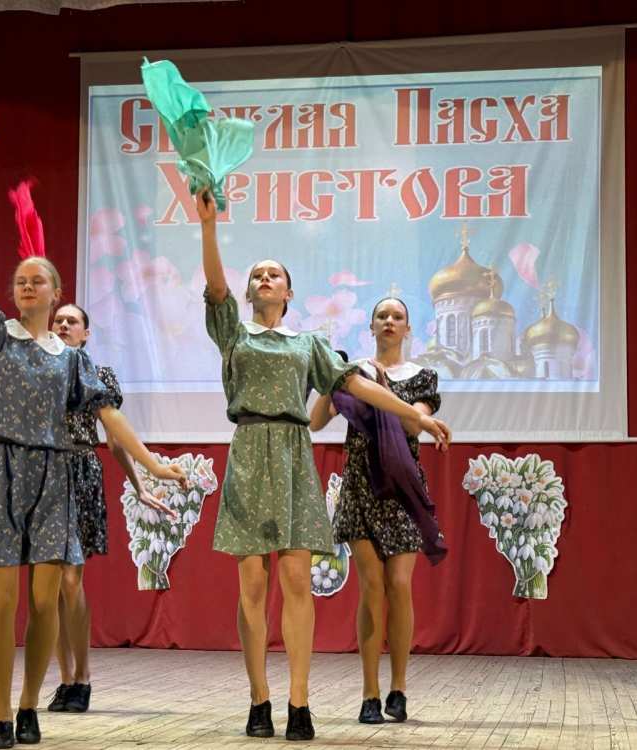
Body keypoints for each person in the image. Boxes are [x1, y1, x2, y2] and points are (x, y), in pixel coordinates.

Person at [196, 190, 451, 742]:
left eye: (274, 275)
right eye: (257, 275)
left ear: (289, 293)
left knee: (296, 580)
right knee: (251, 586)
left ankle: (300, 702)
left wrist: (415, 414)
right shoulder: (234, 333)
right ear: (249, 291)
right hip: (249, 451)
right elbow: (215, 288)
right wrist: (209, 228)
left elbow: (353, 384)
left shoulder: (309, 342)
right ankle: (259, 698)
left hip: (292, 454)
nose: (265, 279)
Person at [0, 188, 185, 749]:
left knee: (46, 602)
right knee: (1, 602)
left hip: (55, 479)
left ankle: (30, 704)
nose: (27, 286)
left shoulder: (72, 359)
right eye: (20, 281)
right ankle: (1, 715)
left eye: (38, 280)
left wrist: (151, 463)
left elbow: (109, 416)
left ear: (56, 292)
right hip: (3, 472)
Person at [310, 297, 445, 725]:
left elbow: (412, 423)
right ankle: (369, 693)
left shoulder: (423, 377)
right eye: (382, 316)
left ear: (408, 328)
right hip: (360, 486)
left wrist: (381, 389)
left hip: (401, 487)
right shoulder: (354, 374)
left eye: (397, 317)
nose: (389, 321)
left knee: (399, 585)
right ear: (370, 327)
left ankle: (398, 689)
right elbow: (316, 421)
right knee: (371, 587)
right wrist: (330, 380)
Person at [45, 303, 177, 714]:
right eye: (58, 320)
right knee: (48, 586)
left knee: (71, 579)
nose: (64, 325)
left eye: (72, 321)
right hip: (43, 473)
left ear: (86, 334)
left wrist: (140, 485)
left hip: (81, 471)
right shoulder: (38, 372)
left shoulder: (98, 375)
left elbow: (115, 440)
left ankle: (82, 676)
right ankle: (64, 679)